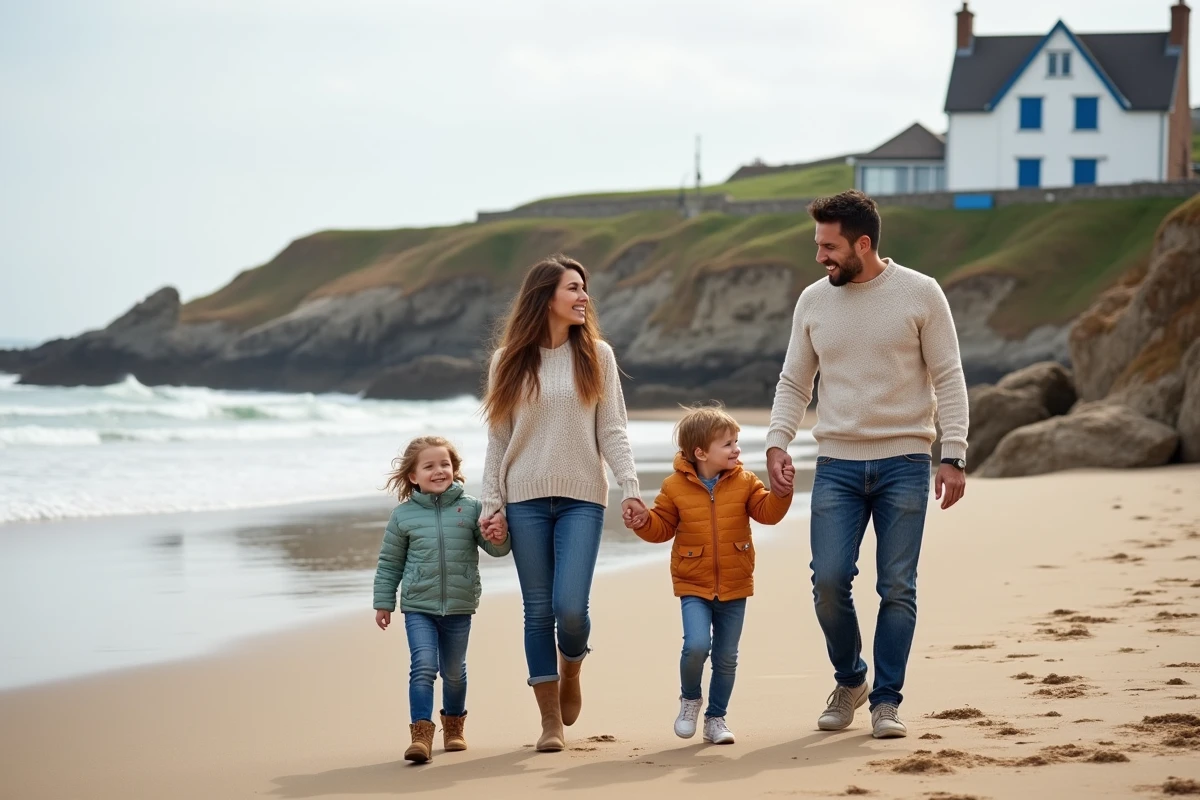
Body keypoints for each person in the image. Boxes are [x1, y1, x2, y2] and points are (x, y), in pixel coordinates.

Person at [765, 190, 969, 740]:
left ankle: (886, 701)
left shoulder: (921, 293)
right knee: (828, 581)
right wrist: (778, 441)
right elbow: (794, 380)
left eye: (829, 247)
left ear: (862, 244)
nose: (820, 257)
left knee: (897, 586)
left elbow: (949, 377)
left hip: (905, 460)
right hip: (837, 463)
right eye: (817, 245)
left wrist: (953, 453)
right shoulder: (813, 301)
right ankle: (851, 679)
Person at [478, 254, 649, 752]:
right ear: (545, 297)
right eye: (573, 288)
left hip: (582, 498)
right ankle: (550, 721)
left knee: (570, 610)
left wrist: (630, 486)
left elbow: (612, 429)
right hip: (524, 499)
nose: (583, 297)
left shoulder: (597, 355)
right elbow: (498, 439)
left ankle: (571, 667)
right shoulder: (508, 360)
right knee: (537, 611)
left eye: (583, 287)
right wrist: (492, 503)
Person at [627, 404, 793, 745]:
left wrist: (782, 492)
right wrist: (643, 522)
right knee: (696, 646)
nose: (736, 449)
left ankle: (716, 718)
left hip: (735, 582)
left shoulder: (746, 482)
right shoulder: (674, 487)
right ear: (701, 452)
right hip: (694, 582)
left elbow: (767, 513)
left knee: (726, 658)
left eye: (736, 442)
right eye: (728, 444)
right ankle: (690, 700)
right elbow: (662, 528)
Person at [372, 435, 511, 764]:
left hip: (460, 606)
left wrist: (500, 535)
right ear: (413, 476)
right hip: (418, 606)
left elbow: (496, 549)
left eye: (445, 464)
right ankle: (421, 736)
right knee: (423, 666)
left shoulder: (472, 507)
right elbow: (390, 563)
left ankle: (454, 728)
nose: (439, 471)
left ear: (455, 469)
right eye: (429, 466)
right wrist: (383, 602)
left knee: (454, 672)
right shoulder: (403, 516)